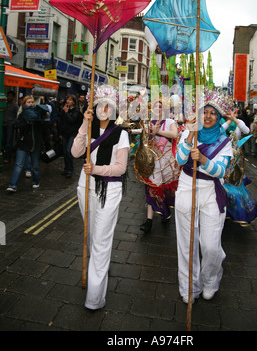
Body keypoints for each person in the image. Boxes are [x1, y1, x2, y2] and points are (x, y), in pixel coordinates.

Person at [71, 86, 129, 311]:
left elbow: (121, 168)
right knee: (92, 236)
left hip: (109, 191)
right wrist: (85, 124)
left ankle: (94, 298)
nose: (104, 109)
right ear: (94, 107)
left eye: (109, 105)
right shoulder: (89, 127)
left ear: (114, 110)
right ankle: (99, 270)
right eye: (100, 104)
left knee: (101, 242)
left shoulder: (121, 134)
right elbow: (75, 153)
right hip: (85, 187)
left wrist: (96, 169)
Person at [175, 91, 233, 303]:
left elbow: (220, 171)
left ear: (218, 118)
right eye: (204, 112)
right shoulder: (188, 133)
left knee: (210, 245)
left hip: (211, 192)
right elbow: (180, 160)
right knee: (187, 243)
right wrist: (190, 136)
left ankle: (210, 280)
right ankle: (189, 287)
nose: (207, 116)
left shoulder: (224, 141)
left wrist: (204, 160)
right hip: (186, 187)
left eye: (212, 113)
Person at [136, 98, 180, 233]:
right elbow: (144, 137)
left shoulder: (170, 122)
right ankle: (149, 220)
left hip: (168, 162)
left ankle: (164, 211)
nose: (157, 109)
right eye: (155, 106)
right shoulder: (150, 122)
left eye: (160, 107)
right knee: (152, 188)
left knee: (164, 190)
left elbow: (174, 134)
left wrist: (157, 132)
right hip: (153, 162)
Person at [6, 95, 47, 192]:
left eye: (32, 102)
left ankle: (36, 181)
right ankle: (13, 185)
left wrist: (41, 117)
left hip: (35, 144)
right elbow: (17, 126)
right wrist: (26, 121)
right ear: (24, 104)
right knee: (18, 164)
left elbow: (43, 129)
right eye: (28, 102)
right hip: (23, 143)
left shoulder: (37, 113)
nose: (31, 104)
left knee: (35, 166)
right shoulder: (22, 115)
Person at [58, 94, 83, 178]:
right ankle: (66, 169)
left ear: (74, 102)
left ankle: (70, 169)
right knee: (65, 151)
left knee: (69, 151)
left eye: (71, 100)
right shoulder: (64, 109)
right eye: (68, 99)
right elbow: (61, 122)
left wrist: (66, 112)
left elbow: (72, 120)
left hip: (72, 133)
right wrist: (60, 133)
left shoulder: (76, 111)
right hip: (65, 133)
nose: (68, 101)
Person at [2, 90, 19, 163]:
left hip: (10, 125)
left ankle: (7, 157)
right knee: (3, 140)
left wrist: (12, 123)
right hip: (3, 124)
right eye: (8, 96)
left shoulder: (15, 106)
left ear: (13, 97)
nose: (8, 97)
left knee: (9, 142)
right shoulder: (5, 104)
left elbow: (17, 116)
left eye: (10, 96)